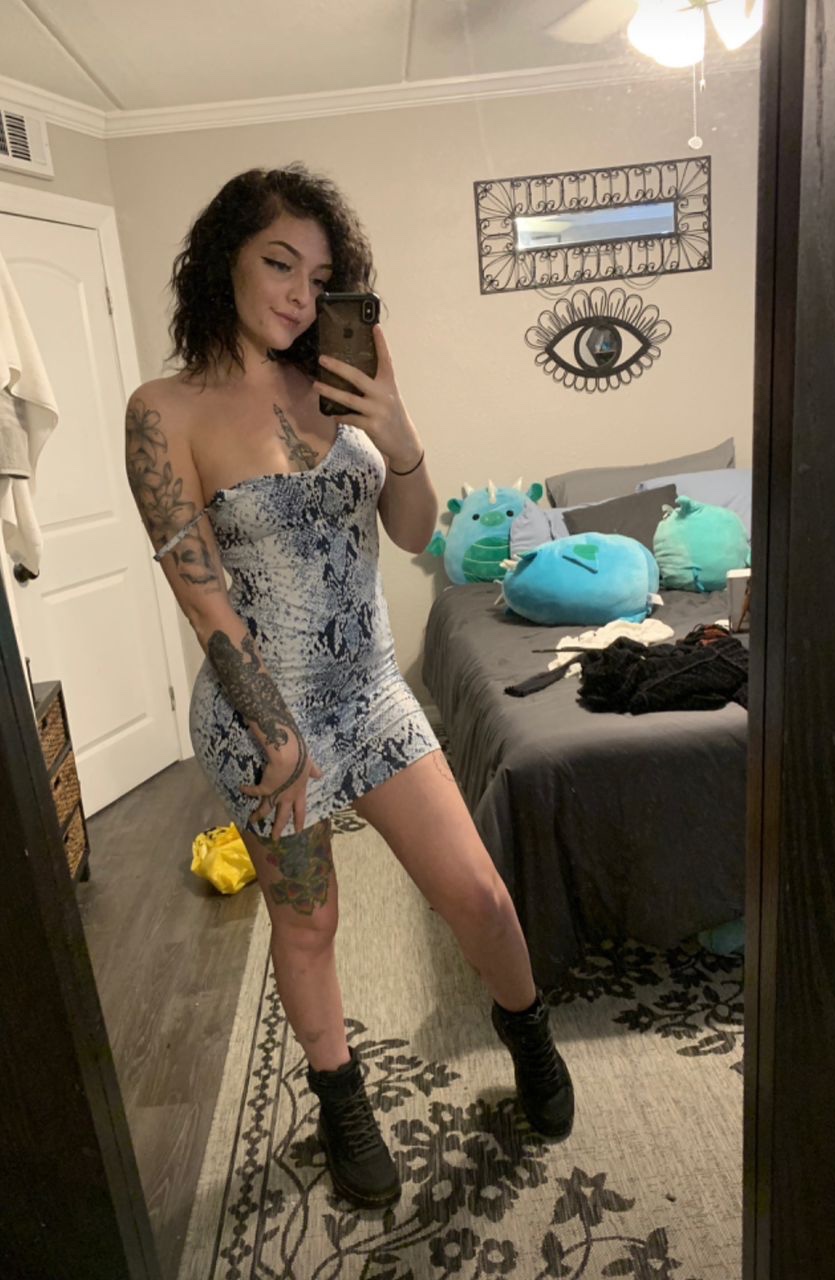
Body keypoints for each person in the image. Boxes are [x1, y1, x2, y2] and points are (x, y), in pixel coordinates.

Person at [125, 164, 574, 1210]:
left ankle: (527, 1031)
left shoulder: (344, 368)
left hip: (371, 690)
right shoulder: (164, 411)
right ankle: (341, 1098)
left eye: (320, 276)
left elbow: (414, 532)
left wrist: (403, 436)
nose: (299, 293)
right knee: (310, 921)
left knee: (478, 891)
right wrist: (275, 733)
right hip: (260, 714)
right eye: (279, 263)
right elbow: (202, 595)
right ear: (224, 261)